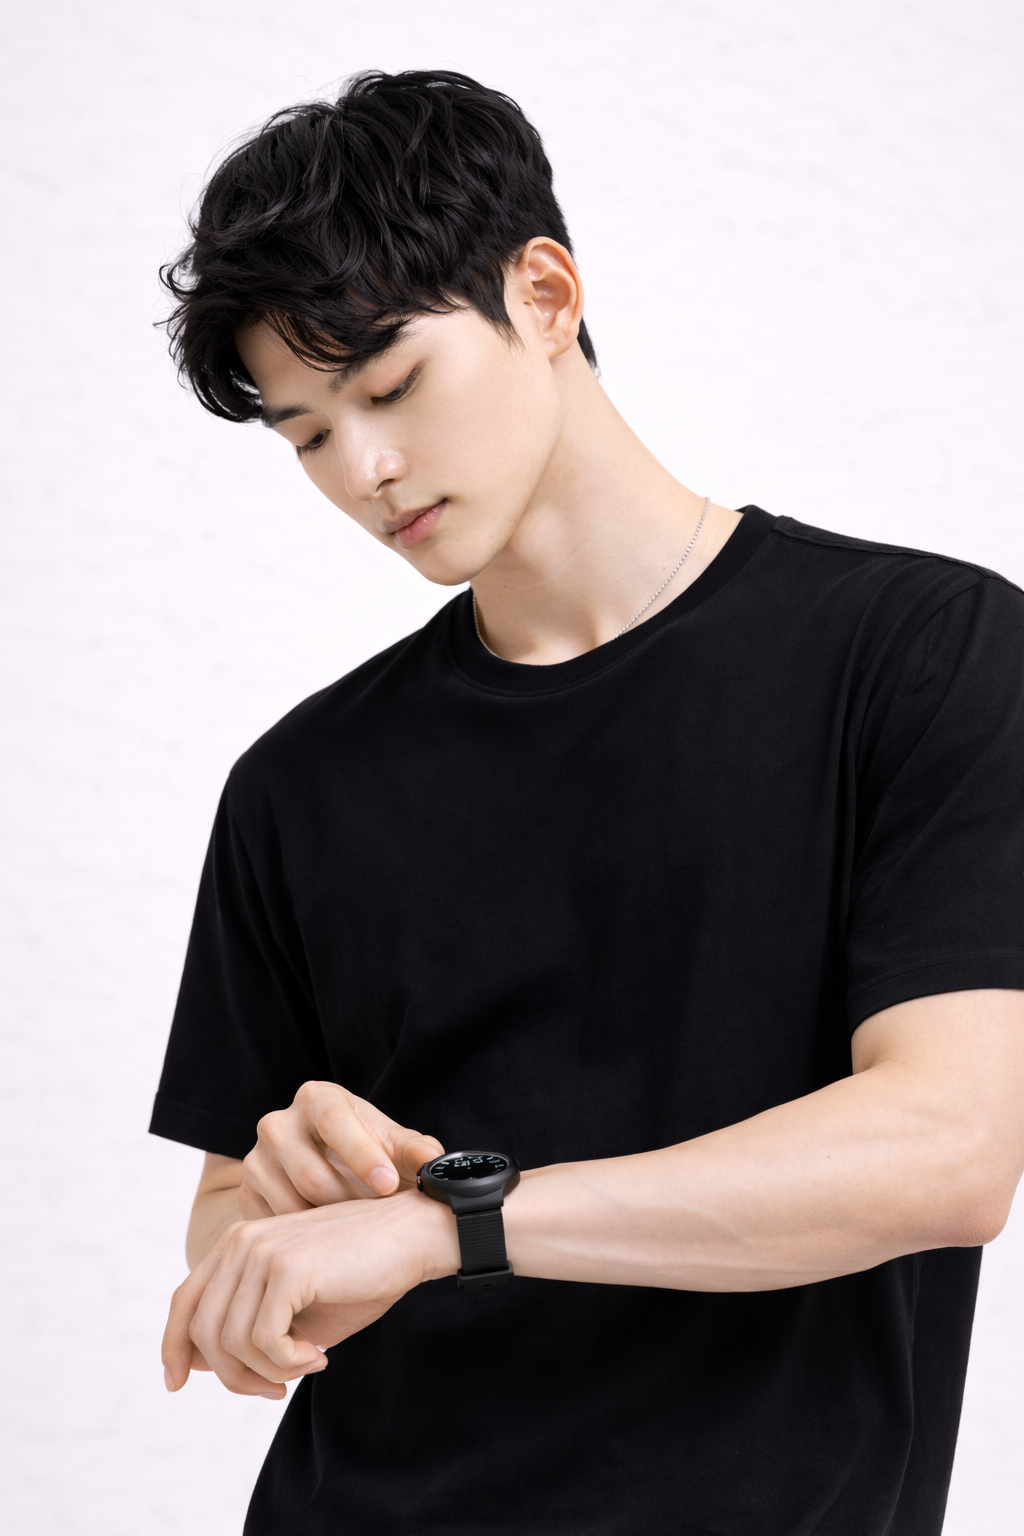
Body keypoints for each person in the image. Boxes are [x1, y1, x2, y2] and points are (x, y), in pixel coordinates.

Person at [151, 69, 1024, 1536]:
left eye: (389, 386)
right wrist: (281, 1215)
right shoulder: (298, 785)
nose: (365, 470)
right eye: (306, 435)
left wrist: (448, 1228)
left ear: (544, 295)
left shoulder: (922, 656)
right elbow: (227, 1240)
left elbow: (948, 1150)